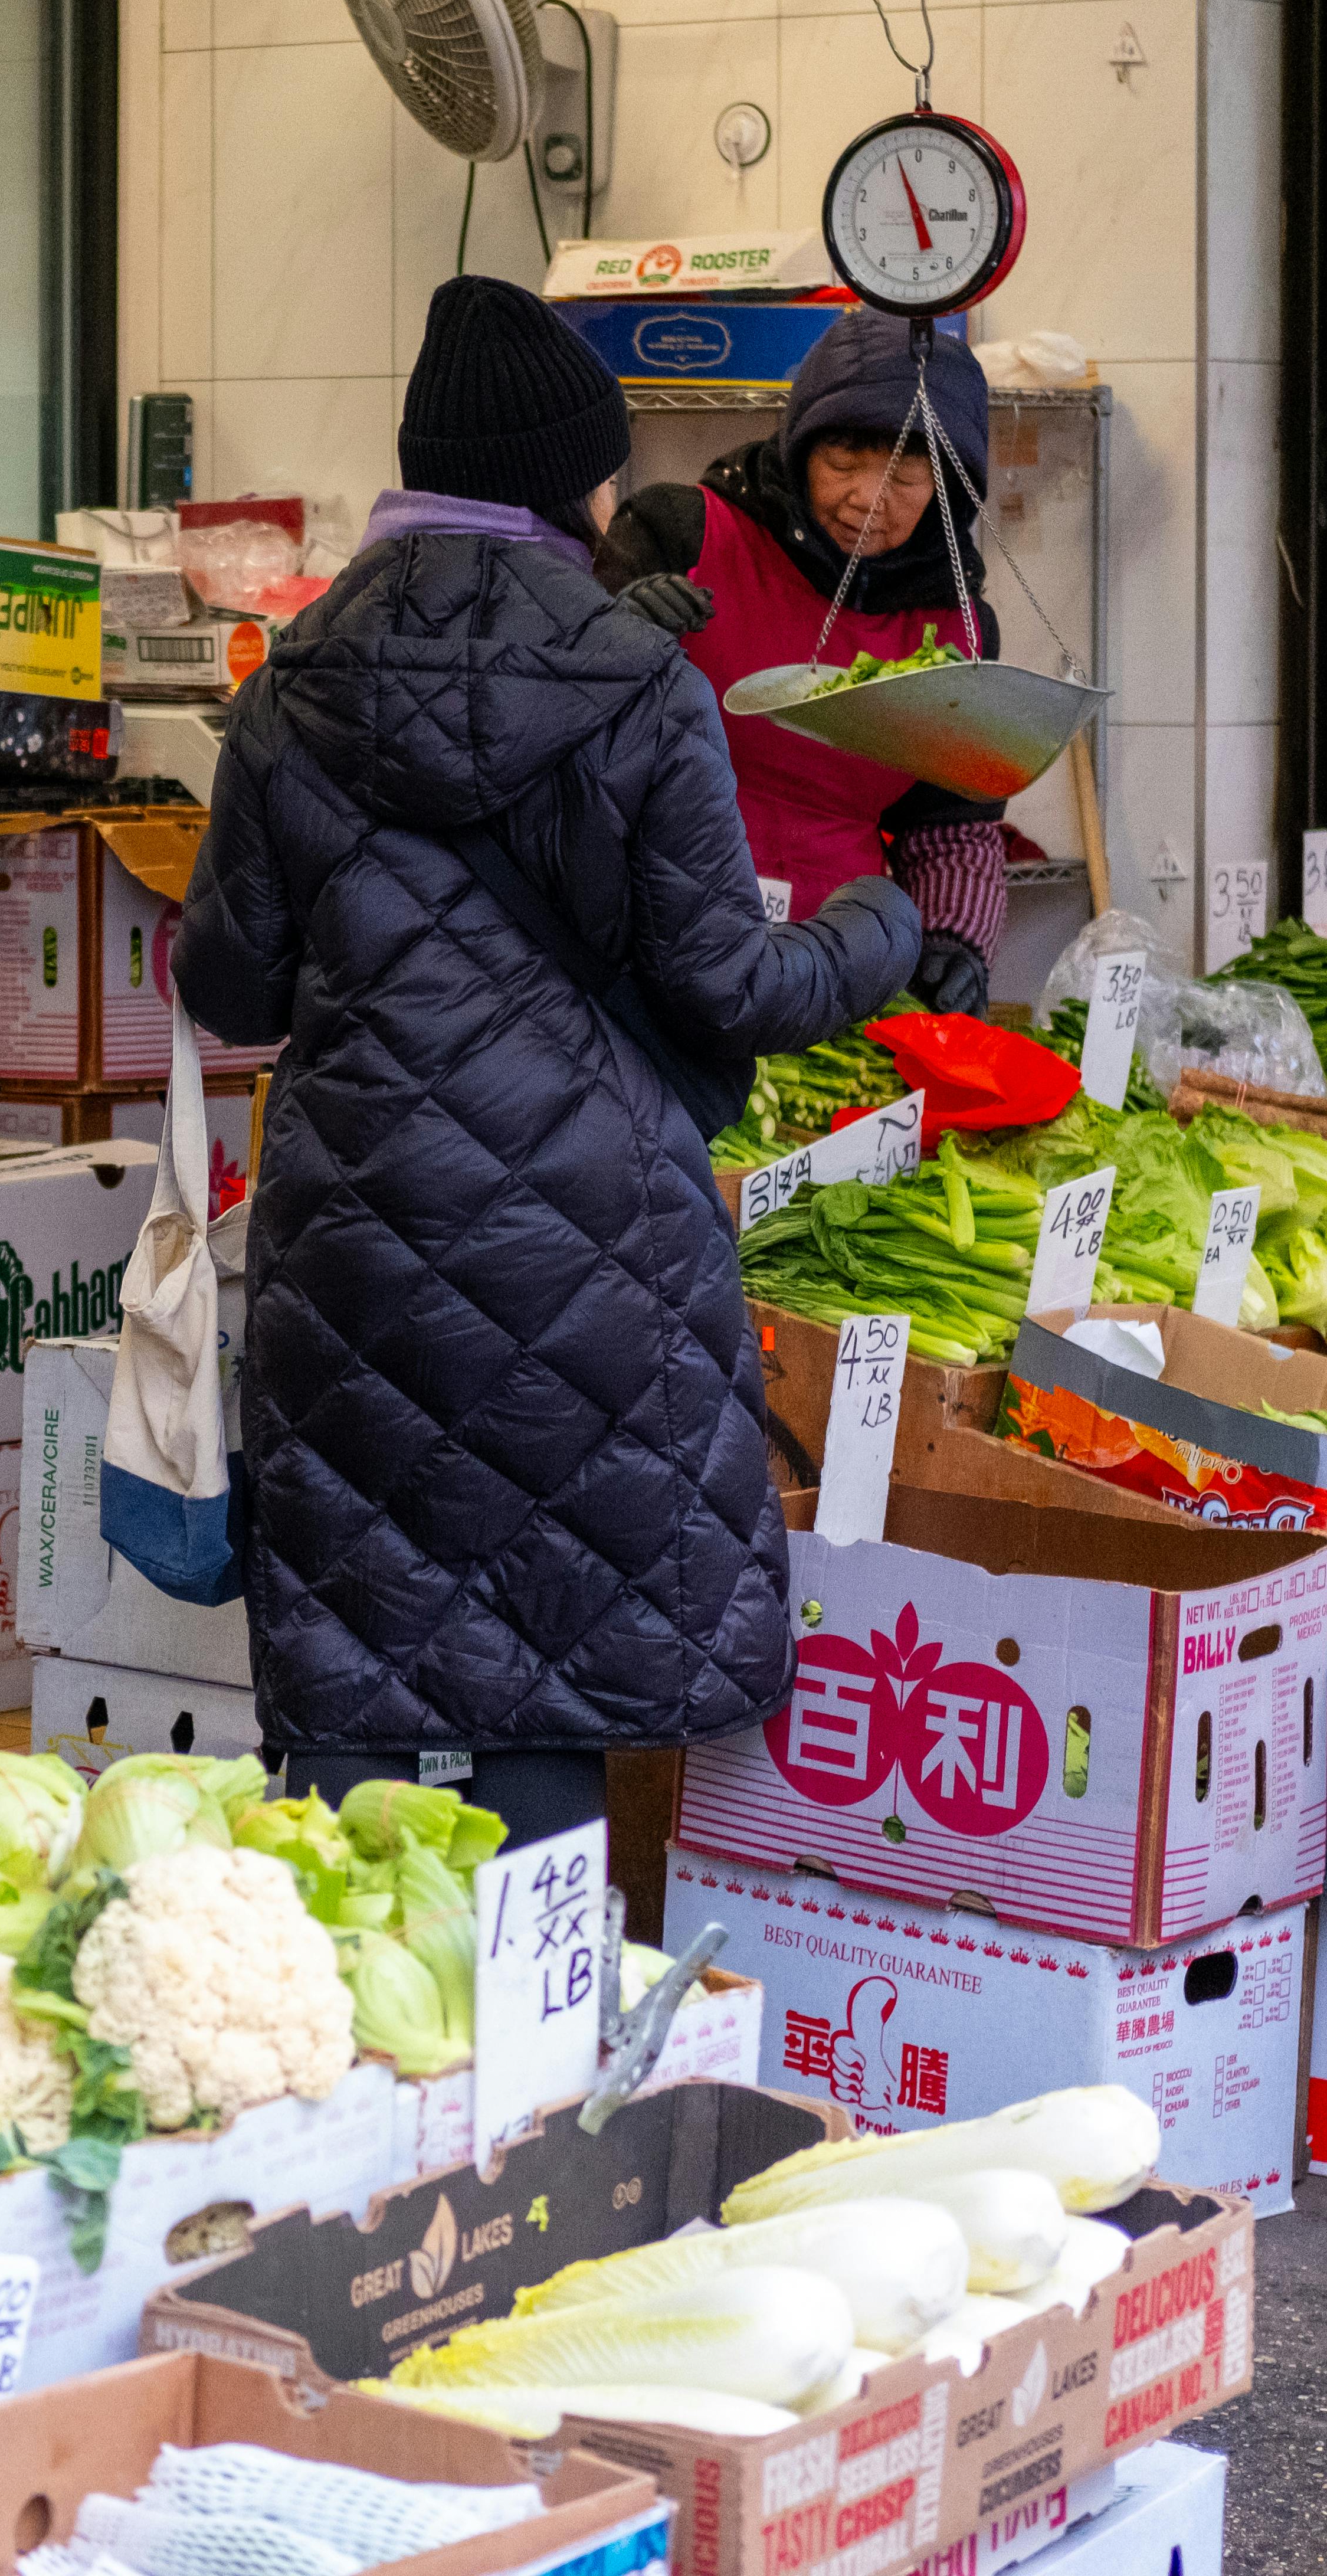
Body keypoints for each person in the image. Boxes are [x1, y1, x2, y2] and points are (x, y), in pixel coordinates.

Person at [173, 277, 923, 1846]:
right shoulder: (640, 679)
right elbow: (729, 981)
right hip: (591, 1251)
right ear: (572, 480)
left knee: (371, 1655)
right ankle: (535, 2051)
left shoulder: (291, 683)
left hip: (362, 1242)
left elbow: (228, 984)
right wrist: (880, 927)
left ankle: (370, 2050)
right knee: (557, 1666)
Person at [599, 309, 1008, 1018]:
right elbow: (552, 729)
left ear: (949, 483)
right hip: (647, 942)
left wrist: (953, 938)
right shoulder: (681, 534)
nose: (866, 498)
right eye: (844, 457)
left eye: (907, 468)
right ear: (798, 443)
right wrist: (608, 637)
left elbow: (948, 825)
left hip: (830, 975)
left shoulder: (957, 632)